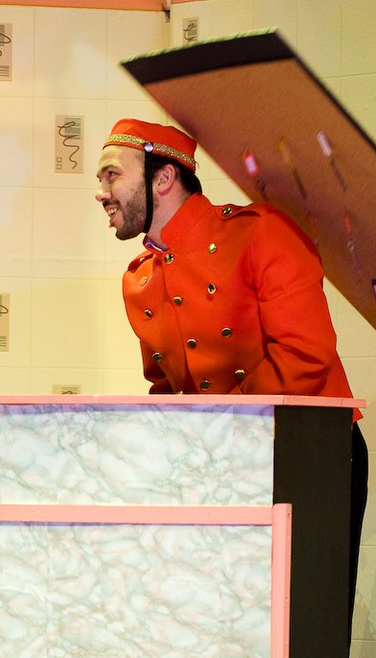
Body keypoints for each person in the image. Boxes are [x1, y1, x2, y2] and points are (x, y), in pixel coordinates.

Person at [95, 117, 367, 645]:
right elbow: (165, 387)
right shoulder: (138, 279)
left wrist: (222, 427)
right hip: (220, 460)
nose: (101, 192)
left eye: (112, 175)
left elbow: (306, 353)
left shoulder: (260, 231)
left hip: (309, 451)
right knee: (222, 624)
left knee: (306, 624)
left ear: (163, 178)